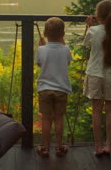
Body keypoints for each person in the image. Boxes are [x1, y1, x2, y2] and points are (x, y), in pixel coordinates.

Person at [83, 0, 111, 156]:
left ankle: (98, 147)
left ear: (97, 16)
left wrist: (89, 26)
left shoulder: (93, 31)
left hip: (95, 73)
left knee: (96, 111)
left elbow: (86, 45)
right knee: (110, 109)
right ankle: (109, 146)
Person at [35, 17, 73, 157]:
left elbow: (40, 64)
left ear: (44, 33)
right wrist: (62, 42)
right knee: (58, 118)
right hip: (61, 89)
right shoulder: (66, 49)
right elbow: (68, 63)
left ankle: (45, 147)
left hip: (44, 89)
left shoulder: (41, 49)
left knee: (46, 119)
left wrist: (41, 46)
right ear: (62, 34)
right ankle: (58, 146)